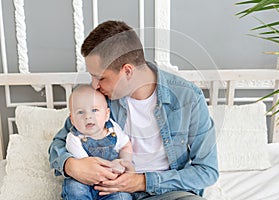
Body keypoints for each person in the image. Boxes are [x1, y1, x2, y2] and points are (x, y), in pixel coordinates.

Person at [49, 20, 219, 200]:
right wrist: (71, 165)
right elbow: (59, 143)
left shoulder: (188, 98)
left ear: (127, 71)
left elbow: (207, 170)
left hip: (166, 192)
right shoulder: (99, 99)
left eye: (100, 78)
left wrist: (142, 181)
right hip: (109, 192)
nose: (94, 85)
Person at [62, 84, 133, 200]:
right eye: (80, 112)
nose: (88, 116)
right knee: (74, 188)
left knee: (123, 197)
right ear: (72, 120)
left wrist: (123, 162)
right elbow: (86, 165)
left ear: (107, 114)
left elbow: (126, 145)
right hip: (84, 181)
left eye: (94, 110)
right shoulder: (74, 138)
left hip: (109, 183)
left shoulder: (113, 129)